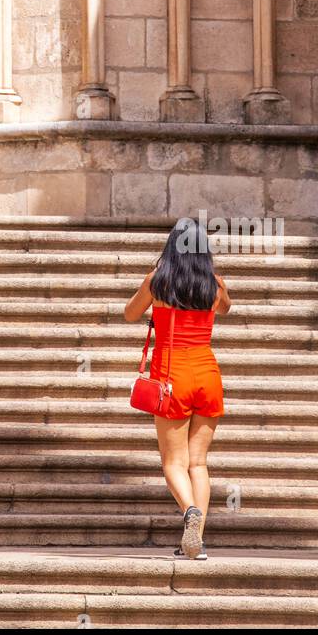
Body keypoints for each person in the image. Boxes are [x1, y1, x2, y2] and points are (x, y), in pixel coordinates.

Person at [124, 217, 231, 560]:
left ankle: (189, 513)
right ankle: (195, 543)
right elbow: (226, 309)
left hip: (172, 376)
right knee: (198, 463)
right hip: (207, 375)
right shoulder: (215, 284)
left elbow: (129, 314)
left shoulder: (159, 281)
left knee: (173, 462)